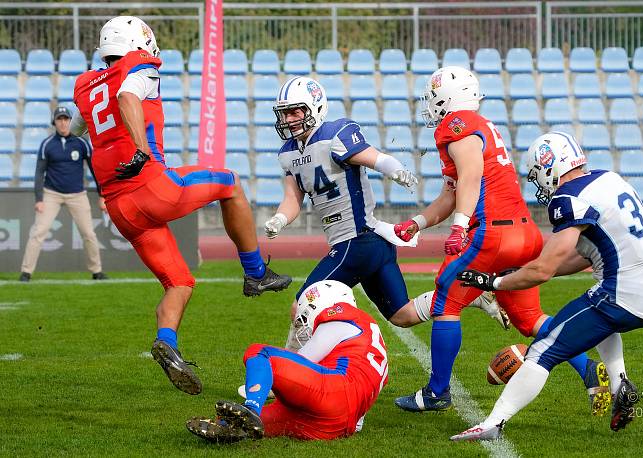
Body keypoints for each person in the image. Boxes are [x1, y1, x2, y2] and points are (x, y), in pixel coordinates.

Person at [71, 16, 291, 395]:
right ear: (141, 43)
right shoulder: (140, 66)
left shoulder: (84, 85)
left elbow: (79, 126)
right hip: (151, 187)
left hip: (120, 208)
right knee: (232, 184)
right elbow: (126, 96)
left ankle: (167, 342)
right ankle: (255, 272)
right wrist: (140, 148)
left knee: (180, 282)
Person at [393, 68, 608, 415]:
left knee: (446, 299)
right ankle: (589, 371)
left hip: (493, 232)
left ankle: (436, 392)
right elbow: (453, 192)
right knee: (530, 319)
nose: (430, 105)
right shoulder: (481, 127)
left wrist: (460, 226)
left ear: (447, 97)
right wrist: (417, 223)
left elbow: (472, 176)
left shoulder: (457, 124)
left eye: (434, 96)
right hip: (523, 232)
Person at [450, 132, 643, 441]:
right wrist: (528, 272)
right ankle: (620, 387)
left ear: (548, 166)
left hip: (622, 294)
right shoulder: (608, 179)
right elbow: (586, 256)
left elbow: (542, 270)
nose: (538, 184)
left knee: (542, 350)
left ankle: (492, 423)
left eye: (537, 175)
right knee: (602, 322)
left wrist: (495, 281)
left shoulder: (569, 198)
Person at [264, 76, 507, 352]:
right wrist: (280, 219)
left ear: (315, 108)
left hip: (357, 241)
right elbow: (292, 198)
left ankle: (288, 373)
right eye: (284, 113)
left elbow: (375, 157)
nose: (289, 119)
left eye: (295, 111)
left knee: (302, 305)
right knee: (402, 315)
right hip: (372, 244)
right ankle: (474, 297)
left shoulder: (334, 135)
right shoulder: (288, 153)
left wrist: (397, 171)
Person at [186, 280, 388, 442]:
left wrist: (264, 383)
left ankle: (251, 408)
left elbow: (302, 360)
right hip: (337, 424)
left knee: (261, 353)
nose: (305, 324)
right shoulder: (367, 335)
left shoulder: (342, 317)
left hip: (331, 391)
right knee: (254, 422)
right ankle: (227, 427)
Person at [19, 106, 108, 282]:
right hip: (51, 193)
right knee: (38, 232)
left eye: (66, 119)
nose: (63, 123)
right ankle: (26, 272)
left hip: (77, 194)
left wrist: (102, 195)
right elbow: (39, 173)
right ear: (55, 122)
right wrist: (39, 199)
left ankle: (96, 271)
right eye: (59, 119)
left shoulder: (81, 143)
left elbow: (95, 170)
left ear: (70, 121)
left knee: (89, 233)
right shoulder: (47, 144)